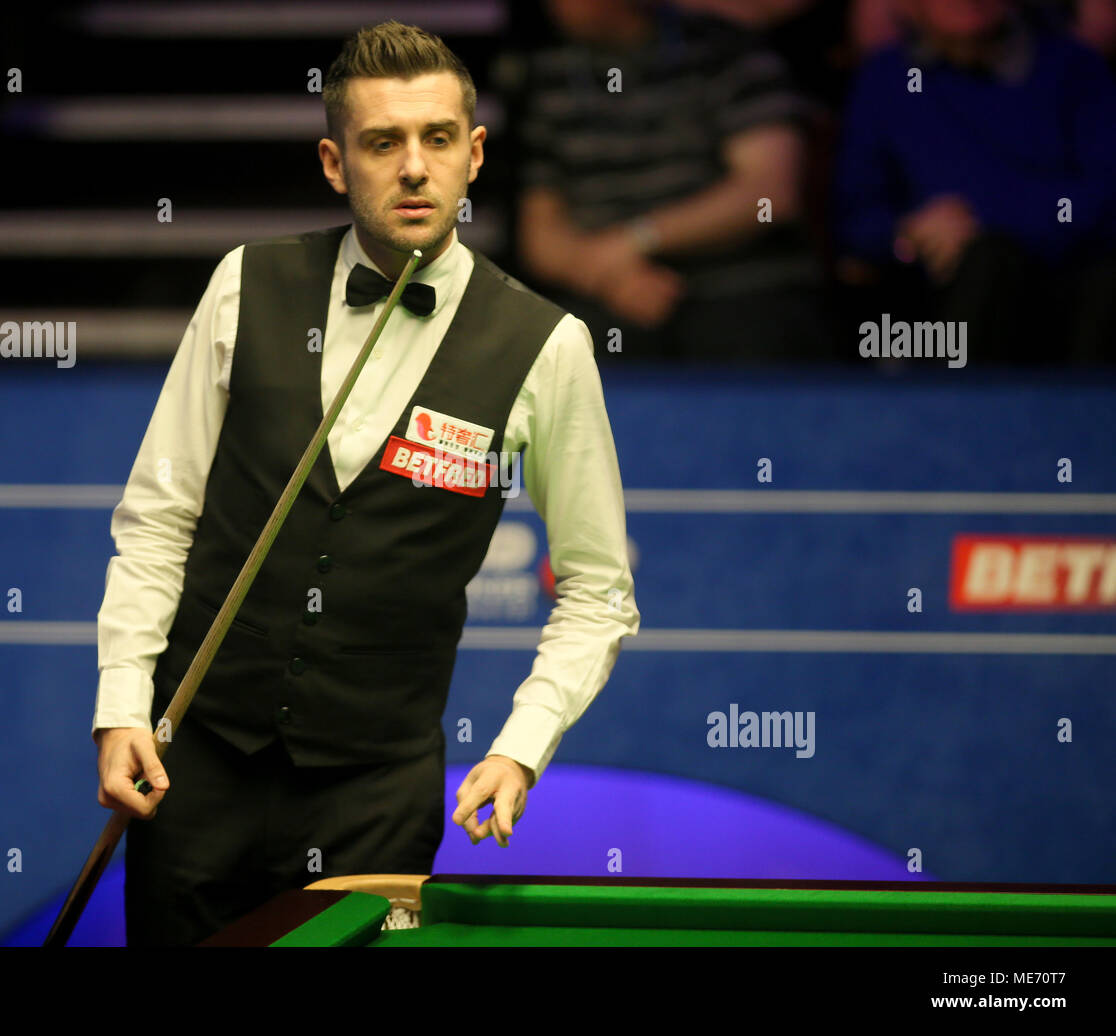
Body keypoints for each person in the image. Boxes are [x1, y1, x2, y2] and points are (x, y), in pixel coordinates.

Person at [89, 20, 640, 946]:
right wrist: (119, 707)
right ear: (336, 164)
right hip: (198, 767)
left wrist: (521, 747)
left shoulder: (547, 345)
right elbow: (158, 517)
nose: (413, 167)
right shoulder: (244, 285)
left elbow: (598, 591)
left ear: (474, 156)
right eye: (383, 142)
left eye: (435, 140)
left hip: (376, 794)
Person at [513, 0, 832, 363]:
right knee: (556, 353)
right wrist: (609, 278)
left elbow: (770, 196)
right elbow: (540, 238)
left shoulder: (726, 53)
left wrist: (638, 238)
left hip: (745, 292)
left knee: (756, 340)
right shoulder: (550, 76)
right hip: (612, 295)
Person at [833, 0, 1116, 364]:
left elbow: (1105, 196)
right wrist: (910, 234)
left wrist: (980, 221)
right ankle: (960, 416)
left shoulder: (1075, 68)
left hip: (1068, 282)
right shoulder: (885, 78)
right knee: (986, 266)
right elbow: (855, 220)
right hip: (938, 294)